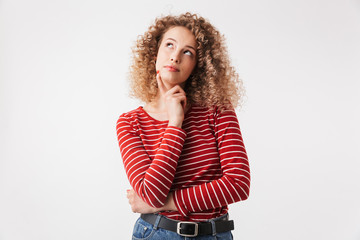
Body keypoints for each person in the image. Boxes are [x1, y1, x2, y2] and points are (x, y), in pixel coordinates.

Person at [116, 12, 250, 240]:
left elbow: (238, 183)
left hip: (214, 234)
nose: (175, 56)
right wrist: (175, 123)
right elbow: (151, 194)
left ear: (197, 65)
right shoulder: (130, 123)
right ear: (154, 53)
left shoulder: (217, 109)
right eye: (169, 45)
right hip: (157, 233)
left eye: (187, 52)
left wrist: (168, 202)